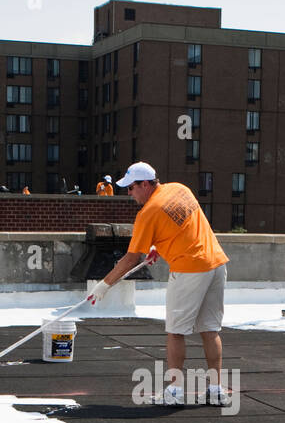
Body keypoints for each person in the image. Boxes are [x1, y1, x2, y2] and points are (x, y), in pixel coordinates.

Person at [92, 161, 230, 406]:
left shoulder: (147, 213)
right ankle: (216, 390)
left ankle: (175, 392)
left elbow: (130, 258)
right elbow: (182, 226)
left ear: (145, 184)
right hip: (216, 264)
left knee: (176, 331)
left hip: (189, 270)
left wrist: (104, 285)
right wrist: (158, 246)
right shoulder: (180, 189)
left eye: (132, 188)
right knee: (210, 330)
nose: (129, 193)